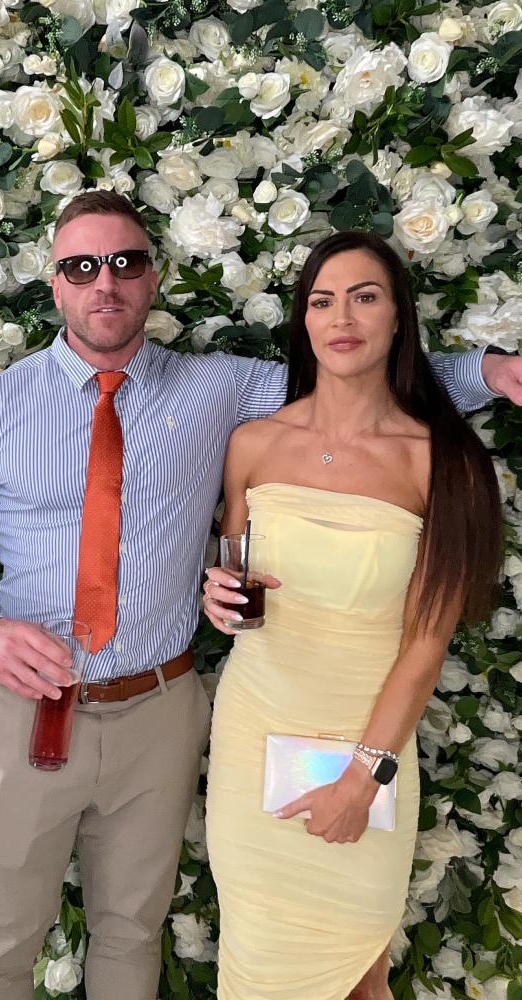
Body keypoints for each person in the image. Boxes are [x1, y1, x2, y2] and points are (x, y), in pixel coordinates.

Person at [0, 192, 519, 1000]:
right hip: (28, 712)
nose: (105, 282)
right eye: (82, 266)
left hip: (162, 711)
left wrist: (488, 372)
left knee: (132, 935)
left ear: (153, 278)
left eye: (126, 262)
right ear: (55, 283)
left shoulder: (216, 390)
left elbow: (355, 374)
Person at [201, 230, 504, 1000]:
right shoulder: (252, 445)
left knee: (357, 977)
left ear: (399, 317)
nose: (342, 317)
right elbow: (237, 579)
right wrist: (218, 597)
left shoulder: (444, 463)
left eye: (365, 297)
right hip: (254, 737)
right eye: (322, 300)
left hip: (369, 745)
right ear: (303, 321)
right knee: (257, 970)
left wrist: (365, 778)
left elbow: (426, 646)